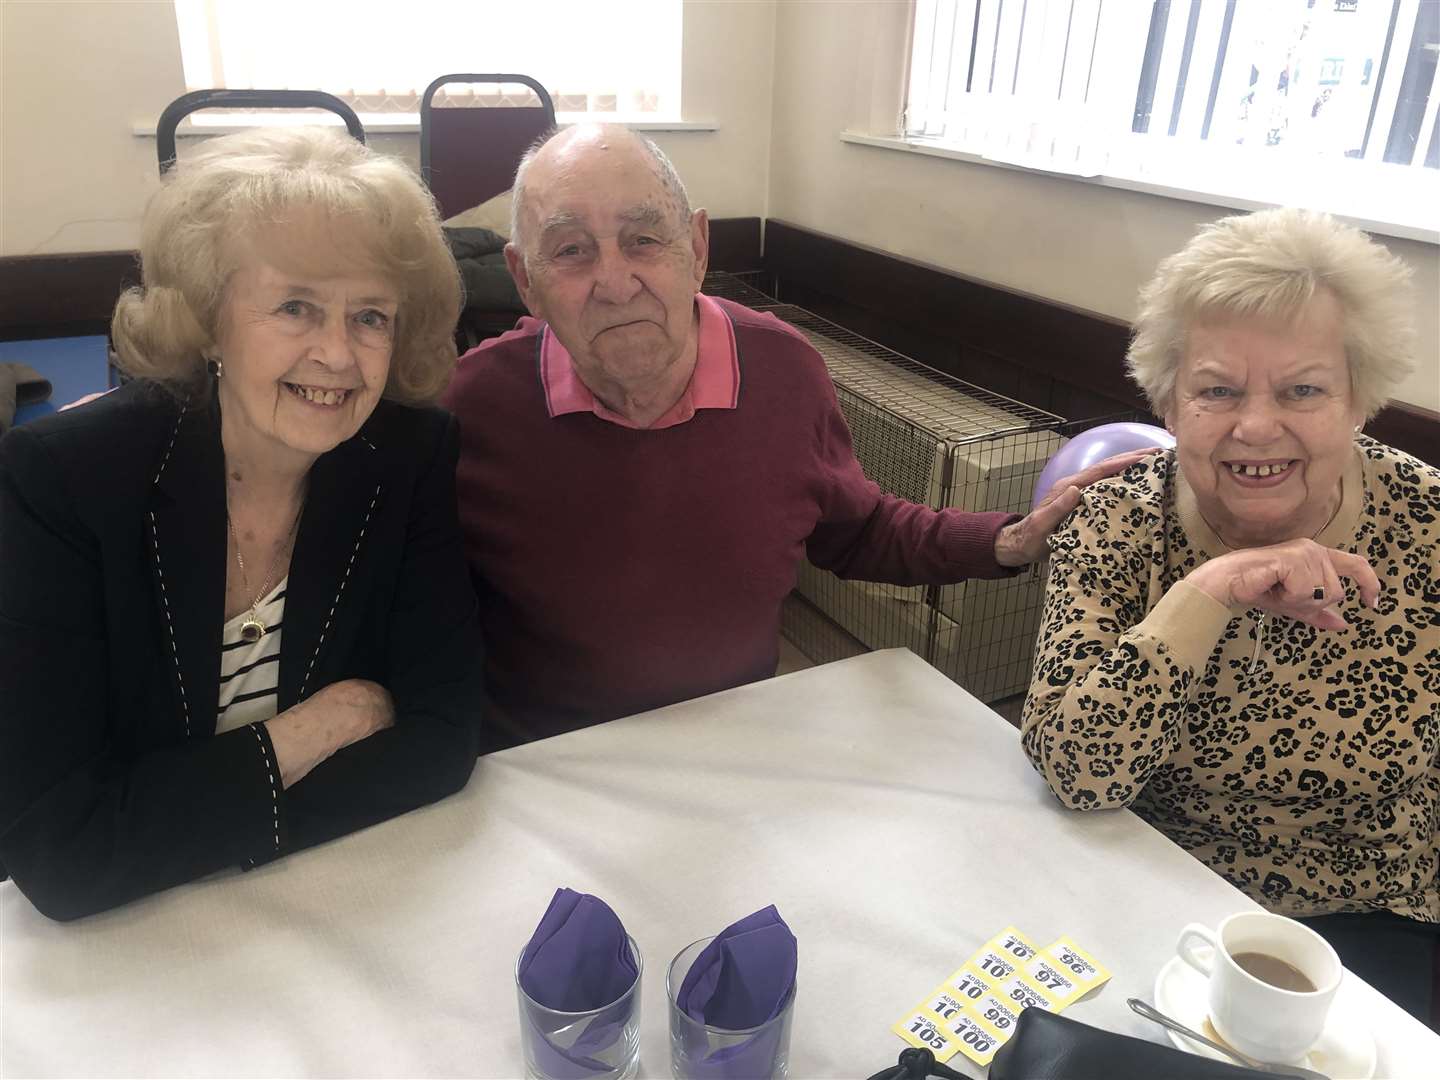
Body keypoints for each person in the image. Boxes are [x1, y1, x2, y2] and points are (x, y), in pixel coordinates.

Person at [441, 123, 1147, 748]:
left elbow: (855, 528)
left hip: (740, 739)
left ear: (696, 246)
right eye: (570, 251)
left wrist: (1006, 540)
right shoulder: (477, 404)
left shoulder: (783, 368)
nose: (616, 282)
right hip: (546, 766)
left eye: (643, 239)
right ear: (524, 280)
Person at [0, 128, 485, 921]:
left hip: (336, 896)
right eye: (296, 306)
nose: (336, 353)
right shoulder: (67, 480)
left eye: (371, 316)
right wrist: (319, 728)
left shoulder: (408, 457)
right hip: (122, 945)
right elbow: (59, 848)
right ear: (211, 319)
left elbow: (440, 743)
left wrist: (171, 819)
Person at [1021, 207, 1439, 1025]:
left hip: (1367, 917)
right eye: (1216, 389)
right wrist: (1207, 591)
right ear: (1171, 405)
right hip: (1149, 882)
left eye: (1303, 390)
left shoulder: (1430, 527)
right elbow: (1077, 770)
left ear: (1360, 398)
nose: (1255, 425)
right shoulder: (1118, 520)